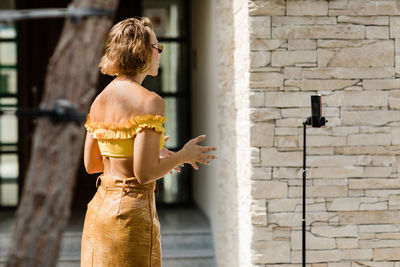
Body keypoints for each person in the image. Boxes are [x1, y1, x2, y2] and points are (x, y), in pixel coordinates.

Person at [81, 17, 216, 267]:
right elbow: (143, 174)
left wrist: (152, 151)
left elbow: (92, 164)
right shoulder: (150, 101)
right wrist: (184, 155)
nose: (160, 54)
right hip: (129, 215)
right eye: (157, 47)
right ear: (141, 51)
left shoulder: (100, 99)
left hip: (98, 212)